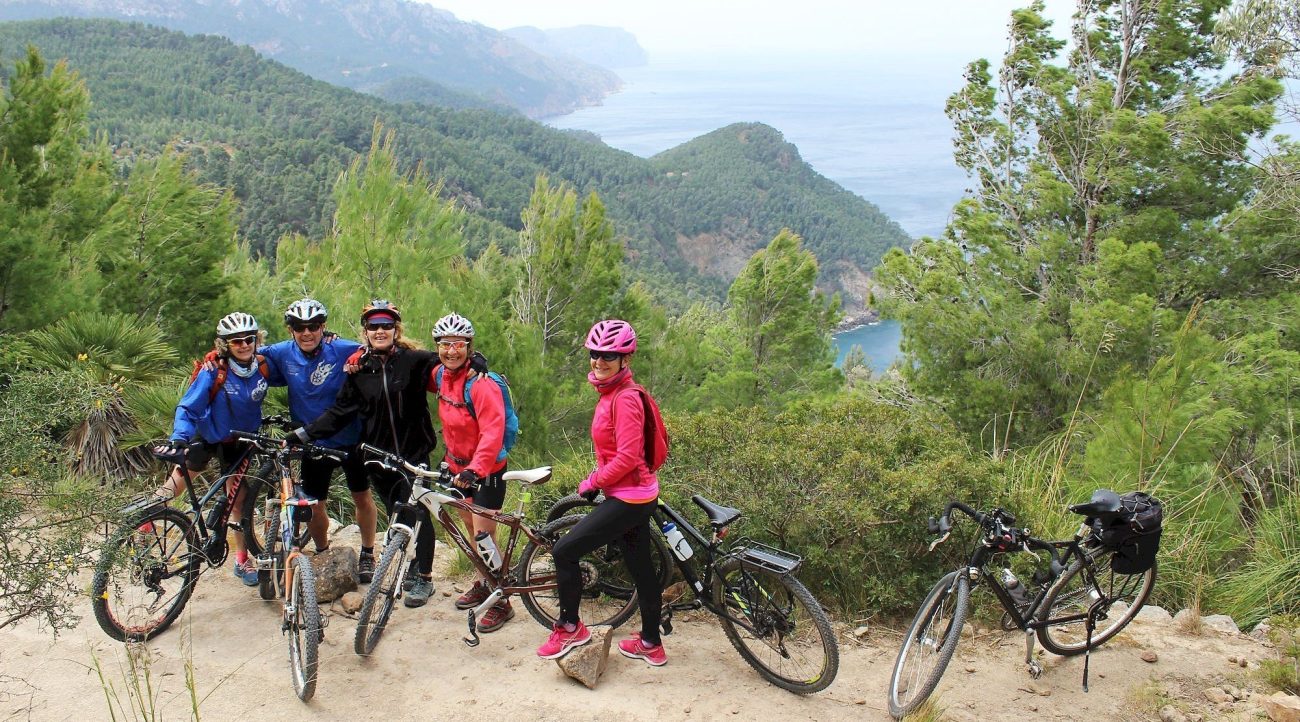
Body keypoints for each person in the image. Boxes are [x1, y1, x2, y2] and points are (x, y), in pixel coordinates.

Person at [294, 300, 441, 608]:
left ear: (396, 329)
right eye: (373, 326)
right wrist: (305, 433)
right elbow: (341, 410)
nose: (380, 331)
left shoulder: (415, 360)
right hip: (379, 457)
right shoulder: (359, 368)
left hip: (414, 455)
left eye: (386, 325)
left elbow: (449, 362)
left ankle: (423, 578)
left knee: (418, 515)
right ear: (365, 331)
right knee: (398, 515)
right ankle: (406, 567)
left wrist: (476, 361)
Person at [536, 319, 666, 666]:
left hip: (630, 497)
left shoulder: (624, 399)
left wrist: (594, 480)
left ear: (625, 359)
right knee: (641, 569)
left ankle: (569, 626)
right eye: (595, 353)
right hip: (634, 494)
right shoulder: (612, 393)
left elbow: (627, 456)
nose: (599, 360)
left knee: (564, 552)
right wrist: (602, 478)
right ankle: (651, 643)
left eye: (609, 354)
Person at [259, 299, 376, 580]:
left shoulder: (342, 348)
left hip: (350, 437)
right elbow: (246, 352)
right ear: (290, 330)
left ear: (323, 326)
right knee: (315, 504)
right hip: (312, 441)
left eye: (313, 326)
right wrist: (218, 355)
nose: (307, 332)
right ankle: (324, 551)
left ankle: (368, 553)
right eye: (299, 327)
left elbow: (382, 349)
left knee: (361, 496)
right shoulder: (282, 353)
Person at [154, 312, 270, 586]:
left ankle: (242, 559)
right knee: (178, 482)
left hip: (240, 442)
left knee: (238, 500)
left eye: (248, 339)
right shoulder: (213, 370)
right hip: (207, 435)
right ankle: (146, 519)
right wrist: (180, 436)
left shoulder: (264, 365)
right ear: (225, 344)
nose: (243, 345)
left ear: (256, 339)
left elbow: (297, 354)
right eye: (235, 341)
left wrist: (327, 338)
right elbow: (187, 406)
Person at [428, 312, 513, 632]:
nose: (452, 350)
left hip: (487, 470)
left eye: (459, 344)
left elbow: (493, 432)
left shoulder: (482, 384)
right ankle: (483, 582)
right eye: (445, 344)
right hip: (458, 467)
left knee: (484, 534)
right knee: (468, 524)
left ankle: (502, 600)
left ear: (469, 346)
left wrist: (476, 469)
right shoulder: (438, 375)